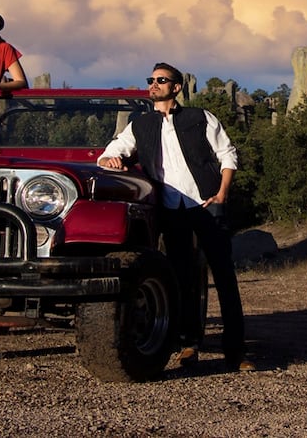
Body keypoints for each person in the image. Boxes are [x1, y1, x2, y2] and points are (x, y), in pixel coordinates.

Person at [98, 62, 254, 373]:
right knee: (182, 278)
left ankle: (235, 352)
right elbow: (108, 154)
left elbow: (228, 154)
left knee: (224, 276)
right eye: (151, 79)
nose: (153, 84)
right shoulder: (140, 125)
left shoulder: (200, 117)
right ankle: (188, 345)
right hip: (171, 210)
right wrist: (110, 160)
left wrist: (222, 194)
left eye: (161, 80)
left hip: (207, 204)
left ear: (176, 87)